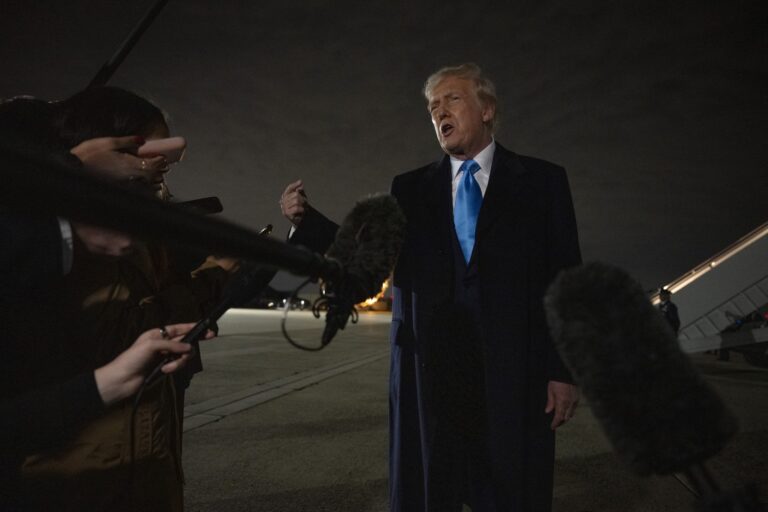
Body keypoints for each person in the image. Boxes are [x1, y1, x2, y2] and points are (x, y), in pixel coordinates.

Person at [281, 63, 581, 511]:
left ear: (487, 109)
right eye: (432, 106)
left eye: (452, 99)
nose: (439, 111)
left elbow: (566, 280)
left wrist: (563, 371)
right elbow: (366, 253)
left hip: (514, 372)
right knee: (429, 488)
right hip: (431, 371)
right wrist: (307, 222)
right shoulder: (409, 188)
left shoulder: (542, 181)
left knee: (512, 488)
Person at [14, 87, 235, 512]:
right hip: (92, 471)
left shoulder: (132, 217)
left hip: (139, 453)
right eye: (149, 150)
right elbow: (116, 334)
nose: (163, 165)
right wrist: (215, 278)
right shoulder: (83, 228)